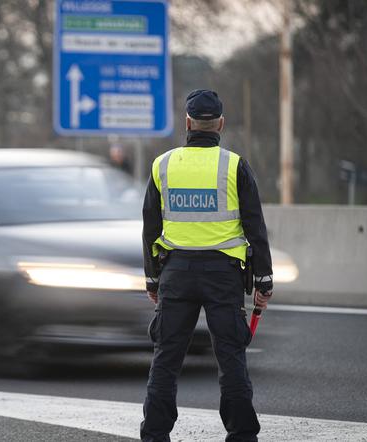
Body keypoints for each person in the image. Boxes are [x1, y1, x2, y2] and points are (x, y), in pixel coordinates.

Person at [140, 89, 274, 442]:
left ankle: (154, 433)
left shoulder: (162, 165)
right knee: (231, 358)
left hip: (176, 273)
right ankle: (242, 432)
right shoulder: (234, 165)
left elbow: (150, 229)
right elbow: (255, 226)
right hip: (223, 276)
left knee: (166, 358)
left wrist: (152, 279)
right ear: (221, 125)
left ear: (187, 123)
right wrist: (264, 279)